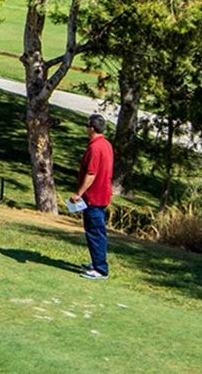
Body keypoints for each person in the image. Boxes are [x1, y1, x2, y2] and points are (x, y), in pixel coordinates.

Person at [73, 113, 114, 279]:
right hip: (102, 194)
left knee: (95, 232)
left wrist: (78, 193)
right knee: (95, 231)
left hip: (94, 196)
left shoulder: (95, 147)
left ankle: (100, 269)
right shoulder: (106, 144)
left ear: (91, 128)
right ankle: (96, 262)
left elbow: (91, 173)